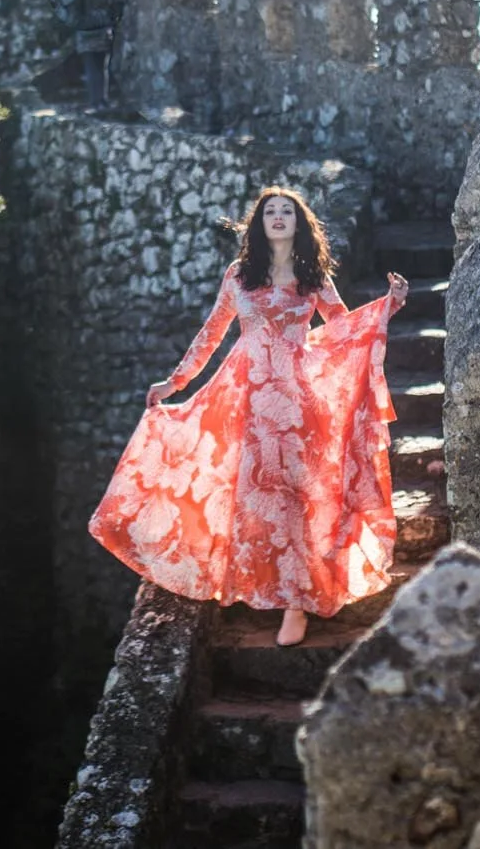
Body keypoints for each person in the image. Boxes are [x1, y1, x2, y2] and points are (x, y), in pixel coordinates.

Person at [89, 187, 408, 646]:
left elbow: (343, 329)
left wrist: (387, 308)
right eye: (270, 212)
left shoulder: (312, 276)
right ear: (258, 224)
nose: (278, 217)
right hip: (245, 399)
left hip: (298, 400)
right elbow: (211, 334)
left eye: (287, 212)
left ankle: (295, 605)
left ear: (300, 224)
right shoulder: (239, 275)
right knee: (245, 492)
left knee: (297, 496)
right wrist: (174, 383)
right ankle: (252, 585)